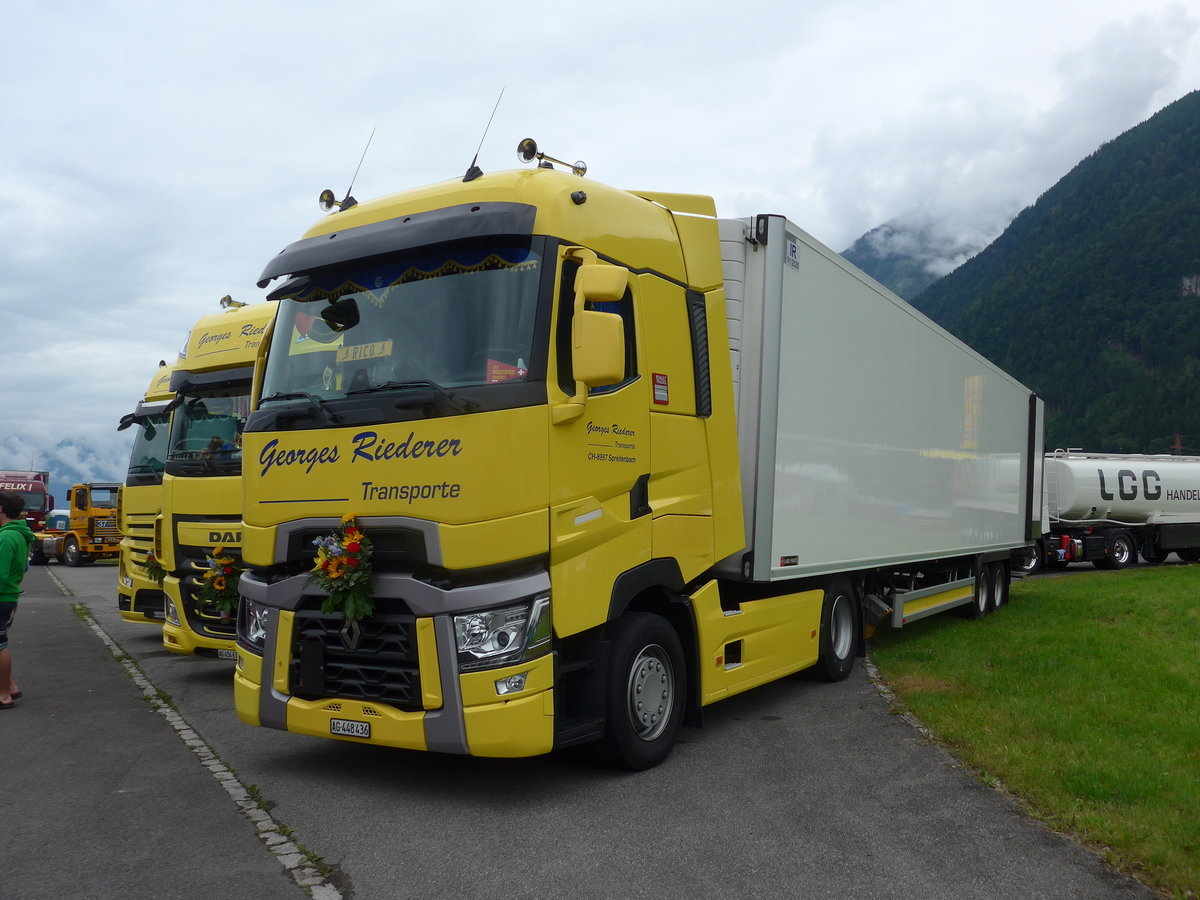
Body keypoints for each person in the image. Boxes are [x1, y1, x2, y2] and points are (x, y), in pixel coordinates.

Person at [0, 490, 35, 709]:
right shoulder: (20, 534)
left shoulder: (5, 536)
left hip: (1, 595)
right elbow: (23, 566)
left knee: (0, 646)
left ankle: (3, 695)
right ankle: (10, 686)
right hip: (9, 596)